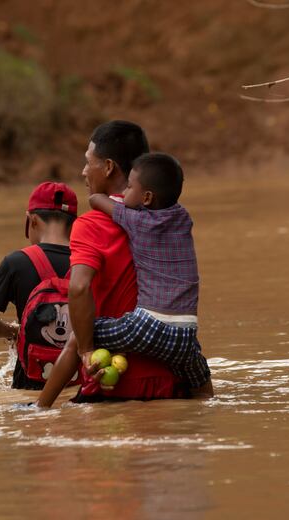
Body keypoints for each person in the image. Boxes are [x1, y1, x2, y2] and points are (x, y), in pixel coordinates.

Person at [38, 120, 209, 406]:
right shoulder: (170, 220)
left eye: (87, 162)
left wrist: (85, 350)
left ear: (107, 167)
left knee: (83, 334)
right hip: (174, 385)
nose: (83, 171)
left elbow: (78, 289)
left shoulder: (92, 224)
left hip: (114, 388)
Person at [85, 152, 212, 394]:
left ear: (146, 197)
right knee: (200, 379)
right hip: (186, 334)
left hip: (148, 327)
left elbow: (96, 200)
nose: (124, 193)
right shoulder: (183, 217)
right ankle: (206, 409)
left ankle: (44, 404)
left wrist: (110, 198)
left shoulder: (137, 222)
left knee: (86, 330)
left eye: (129, 187)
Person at [0, 181, 77, 390]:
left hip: (30, 383)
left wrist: (13, 332)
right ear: (74, 223)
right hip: (80, 380)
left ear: (32, 220)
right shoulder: (89, 261)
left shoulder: (16, 263)